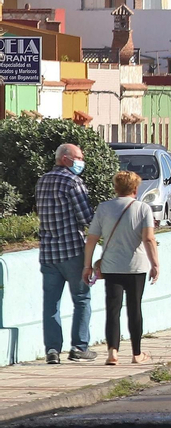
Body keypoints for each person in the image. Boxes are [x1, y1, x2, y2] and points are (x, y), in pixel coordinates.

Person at [84, 171, 160, 365]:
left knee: (113, 309)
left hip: (111, 267)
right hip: (136, 266)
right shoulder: (143, 209)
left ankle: (112, 352)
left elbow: (91, 239)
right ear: (135, 188)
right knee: (134, 309)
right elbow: (149, 239)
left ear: (116, 188)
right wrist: (155, 264)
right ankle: (136, 353)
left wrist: (87, 266)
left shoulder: (104, 208)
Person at [36, 143, 96, 363]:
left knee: (51, 303)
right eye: (78, 157)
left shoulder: (42, 181)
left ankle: (52, 350)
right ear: (65, 158)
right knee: (81, 298)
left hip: (48, 252)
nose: (81, 161)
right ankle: (79, 347)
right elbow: (86, 217)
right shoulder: (73, 182)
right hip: (71, 250)